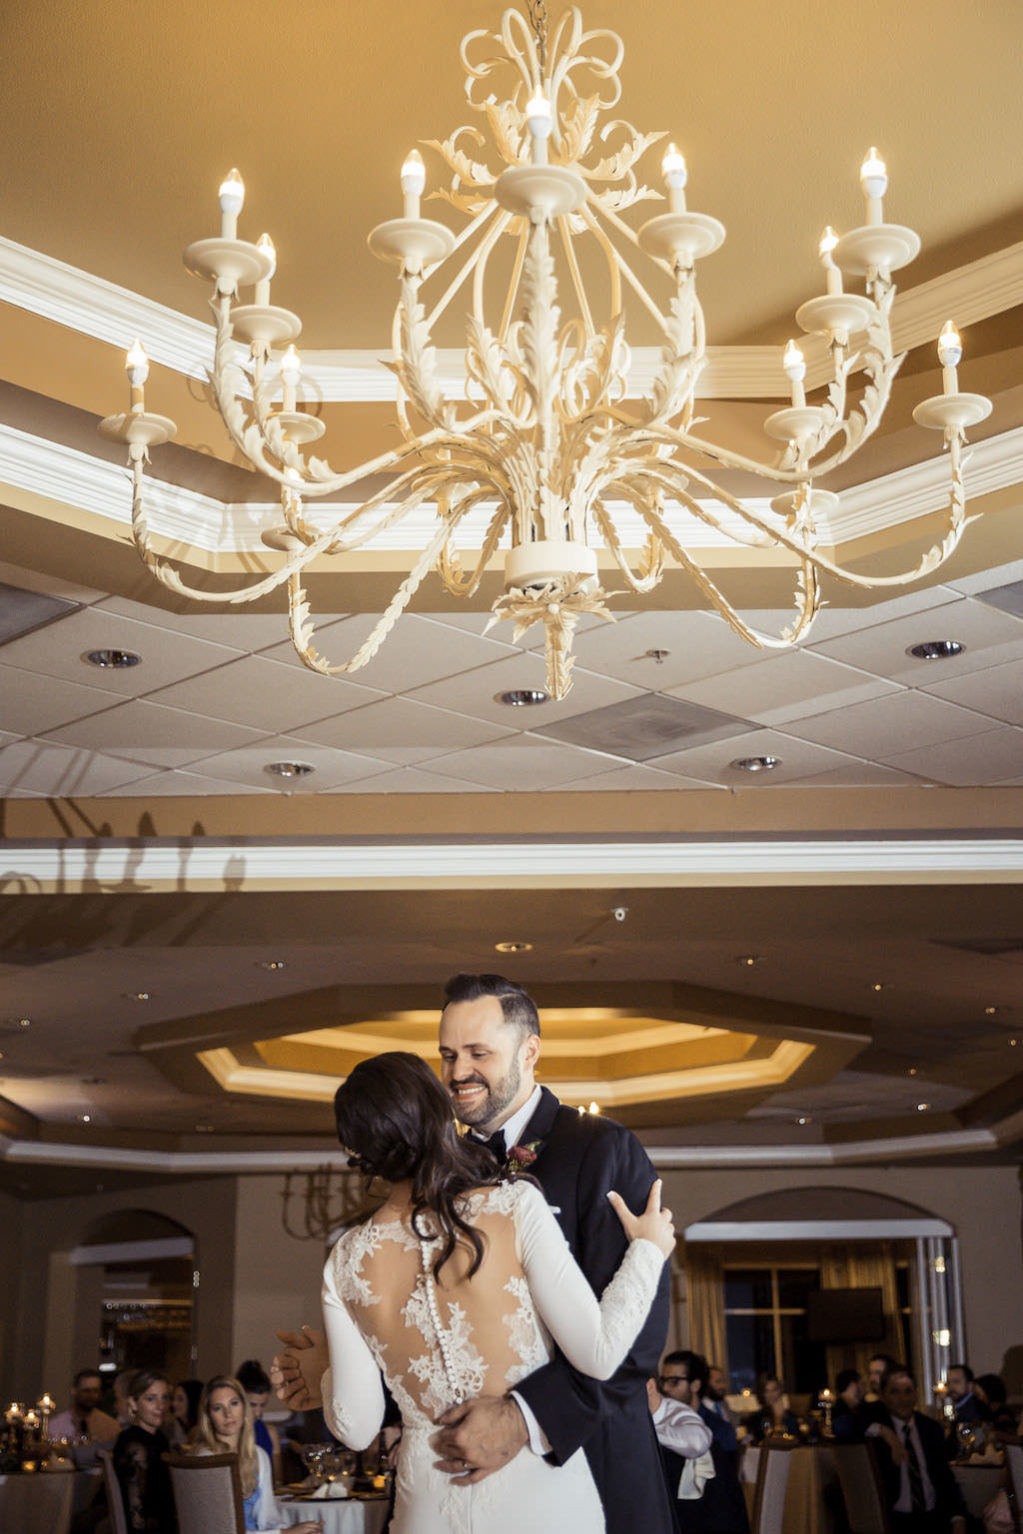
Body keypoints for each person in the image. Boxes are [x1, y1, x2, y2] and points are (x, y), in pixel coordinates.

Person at [274, 971, 676, 1534]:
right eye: (446, 1055)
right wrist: (345, 1362)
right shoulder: (436, 1162)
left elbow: (635, 1341)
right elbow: (442, 1343)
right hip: (450, 1480)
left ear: (530, 1050)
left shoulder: (602, 1148)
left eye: (477, 1053)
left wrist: (523, 1417)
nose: (457, 1072)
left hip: (592, 1466)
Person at [192, 1376, 320, 1534]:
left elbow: (267, 1517)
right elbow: (218, 1530)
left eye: (234, 1404)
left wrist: (295, 1530)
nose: (228, 1414)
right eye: (218, 1408)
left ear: (244, 1407)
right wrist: (284, 1533)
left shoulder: (259, 1455)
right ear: (209, 1416)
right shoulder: (206, 1459)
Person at [658, 1350, 750, 1534]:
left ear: (695, 1385)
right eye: (663, 1381)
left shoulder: (718, 1429)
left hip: (711, 1518)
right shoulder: (662, 1427)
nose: (666, 1388)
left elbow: (727, 1494)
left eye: (674, 1381)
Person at [867, 1365, 967, 1534]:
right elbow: (841, 1425)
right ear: (883, 1396)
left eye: (908, 1391)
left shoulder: (930, 1428)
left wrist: (957, 1518)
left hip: (933, 1519)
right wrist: (886, 1433)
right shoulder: (876, 1429)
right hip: (895, 1521)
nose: (903, 1399)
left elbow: (945, 1478)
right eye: (895, 1392)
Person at [111, 1370, 176, 1534]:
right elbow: (136, 1511)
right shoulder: (133, 1443)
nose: (160, 1406)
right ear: (133, 1403)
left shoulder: (160, 1438)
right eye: (151, 1399)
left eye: (164, 1398)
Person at [646, 1370, 714, 1525]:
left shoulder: (677, 1413)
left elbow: (698, 1443)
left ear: (649, 1386)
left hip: (687, 1516)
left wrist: (643, 1431)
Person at [235, 1360, 283, 1480]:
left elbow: (277, 1481)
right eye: (252, 1405)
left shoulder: (270, 1432)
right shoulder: (229, 1433)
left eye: (262, 1405)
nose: (258, 1413)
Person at [48, 1368, 120, 1444]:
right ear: (74, 1391)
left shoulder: (110, 1426)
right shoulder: (56, 1426)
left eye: (95, 1391)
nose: (91, 1396)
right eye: (86, 1391)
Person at [746, 1374, 799, 1441]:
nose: (771, 1395)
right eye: (767, 1391)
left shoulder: (791, 1417)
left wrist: (781, 1414)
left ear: (780, 1391)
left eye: (774, 1390)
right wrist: (778, 1417)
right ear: (762, 1394)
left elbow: (795, 1440)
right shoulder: (757, 1418)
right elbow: (770, 1441)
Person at [832, 1368, 868, 1440]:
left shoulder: (839, 1407)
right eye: (862, 1384)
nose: (865, 1390)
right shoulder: (840, 1410)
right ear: (852, 1385)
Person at [166, 1379, 202, 1447]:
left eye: (180, 1399)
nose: (174, 1403)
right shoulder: (172, 1426)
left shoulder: (202, 1431)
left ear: (193, 1401)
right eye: (173, 1399)